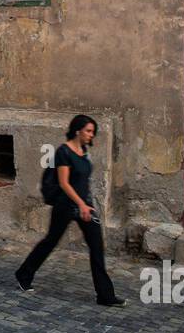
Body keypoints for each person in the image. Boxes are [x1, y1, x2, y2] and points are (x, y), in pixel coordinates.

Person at [16, 115, 127, 307]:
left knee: (97, 248)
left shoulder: (83, 151)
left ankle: (105, 295)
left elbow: (82, 181)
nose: (91, 135)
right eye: (88, 131)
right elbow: (64, 183)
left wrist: (86, 204)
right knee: (51, 241)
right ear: (78, 130)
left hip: (84, 207)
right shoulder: (63, 152)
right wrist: (81, 204)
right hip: (65, 206)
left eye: (93, 131)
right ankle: (24, 274)